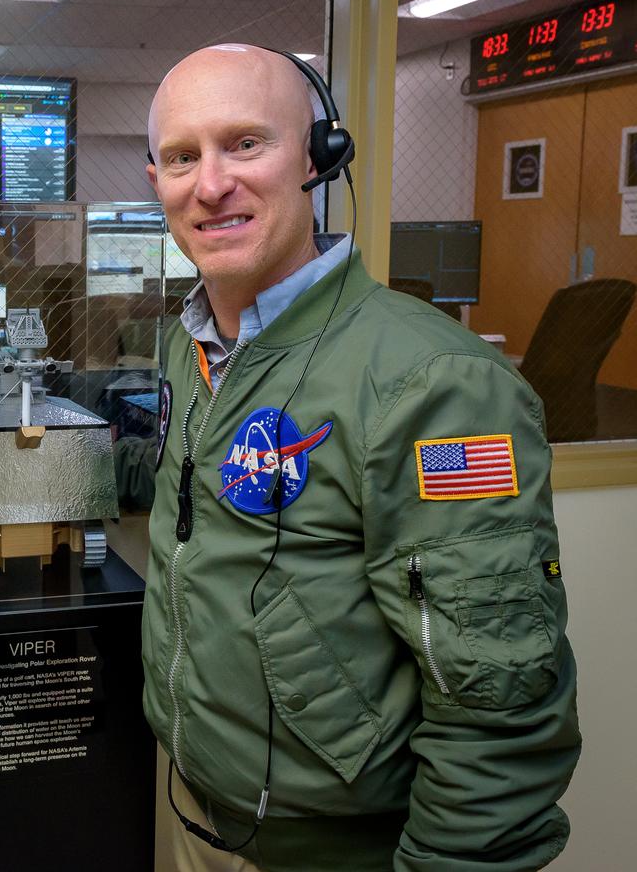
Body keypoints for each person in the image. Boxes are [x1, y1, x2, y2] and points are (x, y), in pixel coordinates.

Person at [142, 44, 580, 872]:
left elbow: (500, 706)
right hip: (201, 810)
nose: (209, 184)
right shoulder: (188, 343)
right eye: (180, 157)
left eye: (244, 143)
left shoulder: (435, 384)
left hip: (335, 850)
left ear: (317, 158)